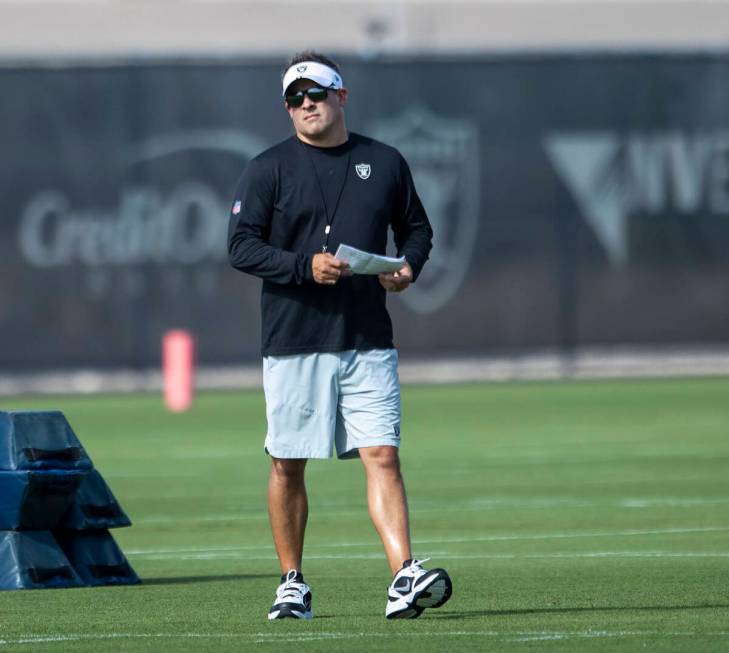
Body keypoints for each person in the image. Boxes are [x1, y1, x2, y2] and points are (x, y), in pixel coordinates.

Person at [228, 51, 452, 621]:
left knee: (382, 455)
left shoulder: (384, 160)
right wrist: (306, 267)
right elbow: (241, 246)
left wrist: (409, 266)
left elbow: (418, 229)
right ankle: (292, 583)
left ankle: (403, 575)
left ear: (341, 97)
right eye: (295, 98)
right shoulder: (267, 168)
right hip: (294, 339)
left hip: (367, 338)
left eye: (317, 94)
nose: (307, 105)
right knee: (288, 463)